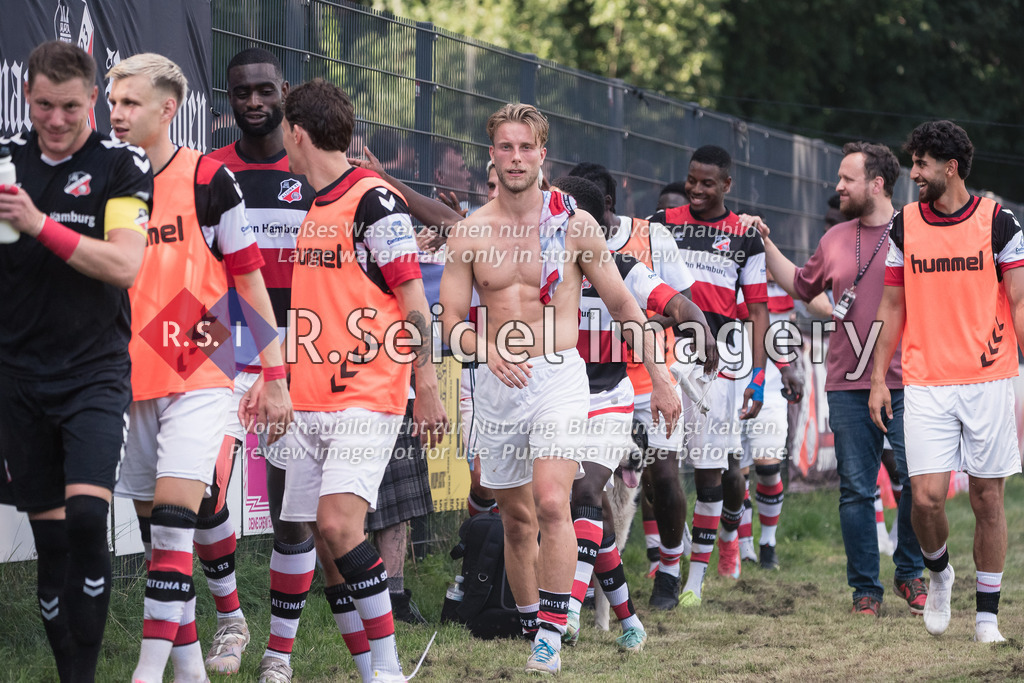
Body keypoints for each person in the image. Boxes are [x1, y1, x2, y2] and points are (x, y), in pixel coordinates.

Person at [439, 103, 680, 675]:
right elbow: (449, 322)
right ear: (491, 155)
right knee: (516, 520)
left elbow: (623, 304)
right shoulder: (471, 232)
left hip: (557, 377)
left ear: (542, 154)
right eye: (506, 147)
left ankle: (549, 635)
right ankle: (534, 623)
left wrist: (664, 378)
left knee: (554, 501)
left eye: (527, 147)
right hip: (498, 382)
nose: (516, 157)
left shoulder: (574, 224)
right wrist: (487, 351)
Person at [106, 53, 292, 683]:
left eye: (130, 102)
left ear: (168, 108)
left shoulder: (209, 180)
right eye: (113, 102)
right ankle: (189, 672)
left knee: (181, 520)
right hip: (130, 373)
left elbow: (249, 281)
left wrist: (273, 374)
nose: (117, 114)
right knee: (161, 538)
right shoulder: (102, 178)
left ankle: (148, 672)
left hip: (198, 361)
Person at [273, 78, 448, 682]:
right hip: (308, 399)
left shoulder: (375, 200)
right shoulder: (314, 203)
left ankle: (389, 668)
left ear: (297, 132)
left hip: (366, 396)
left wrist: (424, 385)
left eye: (284, 135)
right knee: (325, 544)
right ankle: (368, 669)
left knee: (339, 528)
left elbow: (414, 301)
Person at [0, 40, 152, 683]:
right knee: (53, 541)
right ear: (25, 98)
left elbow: (123, 264)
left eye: (68, 106)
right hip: (17, 377)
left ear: (92, 99)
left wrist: (38, 223)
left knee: (90, 517)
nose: (55, 121)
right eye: (42, 106)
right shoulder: (6, 161)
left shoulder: (121, 163)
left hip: (93, 371)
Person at [868, 121, 1024, 642]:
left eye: (921, 164)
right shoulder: (903, 226)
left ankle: (986, 618)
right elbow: (891, 305)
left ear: (950, 168)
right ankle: (939, 575)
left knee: (986, 498)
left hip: (988, 379)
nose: (913, 173)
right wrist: (877, 378)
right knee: (926, 498)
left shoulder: (1001, 224)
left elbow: (1020, 302)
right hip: (925, 380)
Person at [549, 174, 716, 653]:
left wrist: (698, 326)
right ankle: (629, 620)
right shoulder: (539, 264)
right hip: (557, 399)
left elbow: (676, 301)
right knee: (573, 506)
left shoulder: (623, 265)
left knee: (586, 491)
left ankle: (566, 615)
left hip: (610, 397)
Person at [759, 141, 927, 617]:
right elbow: (801, 286)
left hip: (909, 380)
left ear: (876, 183)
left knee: (915, 479)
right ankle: (865, 592)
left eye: (846, 179)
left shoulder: (916, 232)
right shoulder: (835, 239)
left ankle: (910, 573)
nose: (837, 187)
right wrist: (765, 244)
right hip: (847, 384)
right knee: (856, 488)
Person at [203, 48, 316, 682]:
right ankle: (230, 620)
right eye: (242, 92)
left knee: (290, 513)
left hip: (297, 352)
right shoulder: (208, 171)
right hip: (222, 344)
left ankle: (279, 654)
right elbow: (187, 270)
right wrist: (192, 347)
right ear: (228, 98)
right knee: (202, 490)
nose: (253, 102)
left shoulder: (313, 171)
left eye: (264, 91)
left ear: (284, 92)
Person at [651, 145, 801, 608]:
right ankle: (667, 573)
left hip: (722, 366)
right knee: (662, 470)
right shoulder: (661, 224)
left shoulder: (744, 236)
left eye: (708, 183)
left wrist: (758, 380)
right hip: (668, 356)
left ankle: (694, 580)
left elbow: (759, 314)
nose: (696, 189)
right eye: (692, 180)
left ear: (727, 186)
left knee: (712, 472)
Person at [567, 161, 697, 610]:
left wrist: (652, 327)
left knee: (663, 475)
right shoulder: (554, 250)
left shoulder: (647, 241)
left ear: (605, 209)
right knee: (585, 489)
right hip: (588, 382)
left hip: (648, 375)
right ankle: (581, 586)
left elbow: (682, 302)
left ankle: (669, 572)